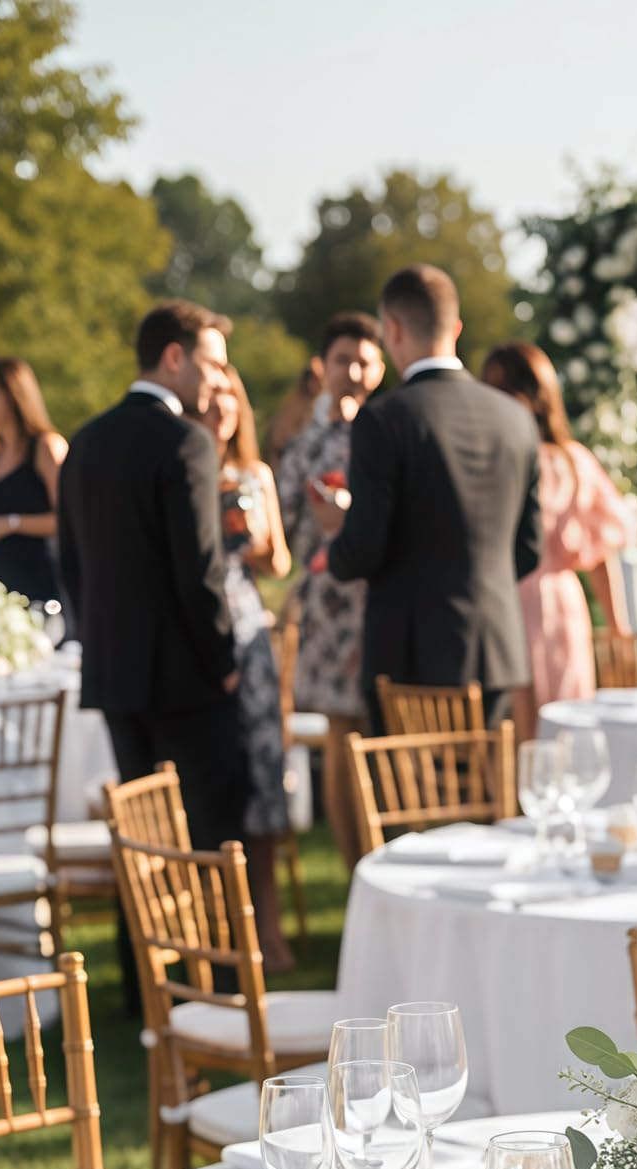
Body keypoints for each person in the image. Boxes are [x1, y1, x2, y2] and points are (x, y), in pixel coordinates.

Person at [308, 264, 544, 742]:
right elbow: (529, 548)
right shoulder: (516, 418)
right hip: (495, 647)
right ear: (455, 329)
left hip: (410, 658)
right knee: (486, 800)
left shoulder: (384, 419)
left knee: (412, 807)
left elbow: (366, 547)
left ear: (392, 329)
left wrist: (334, 541)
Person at [56, 302, 246, 849]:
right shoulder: (188, 442)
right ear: (173, 358)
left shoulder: (84, 442)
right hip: (188, 683)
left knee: (141, 844)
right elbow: (200, 570)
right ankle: (209, 939)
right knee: (207, 841)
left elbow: (72, 566)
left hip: (115, 676)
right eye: (211, 365)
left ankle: (139, 939)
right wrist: (223, 661)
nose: (217, 380)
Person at [194, 365, 295, 969]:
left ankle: (271, 930)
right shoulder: (185, 465)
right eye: (214, 396)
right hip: (202, 632)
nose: (222, 407)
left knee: (263, 781)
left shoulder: (254, 474)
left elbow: (279, 559)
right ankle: (218, 933)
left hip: (249, 629)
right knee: (215, 782)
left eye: (232, 395)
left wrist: (255, 542)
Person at [277, 310, 386, 868]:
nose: (354, 371)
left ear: (381, 366)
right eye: (343, 359)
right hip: (330, 604)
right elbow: (283, 528)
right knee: (345, 737)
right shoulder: (306, 445)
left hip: (383, 600)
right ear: (324, 367)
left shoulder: (390, 429)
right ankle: (357, 870)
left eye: (364, 360)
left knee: (383, 738)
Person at [481, 341, 632, 707]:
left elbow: (600, 554)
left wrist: (618, 631)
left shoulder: (514, 458)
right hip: (539, 600)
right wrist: (617, 627)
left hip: (519, 599)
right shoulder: (572, 458)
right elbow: (600, 554)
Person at [0, 356, 67, 607]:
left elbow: (68, 518)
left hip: (40, 585)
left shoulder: (45, 446)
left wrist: (10, 523)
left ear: (14, 394)